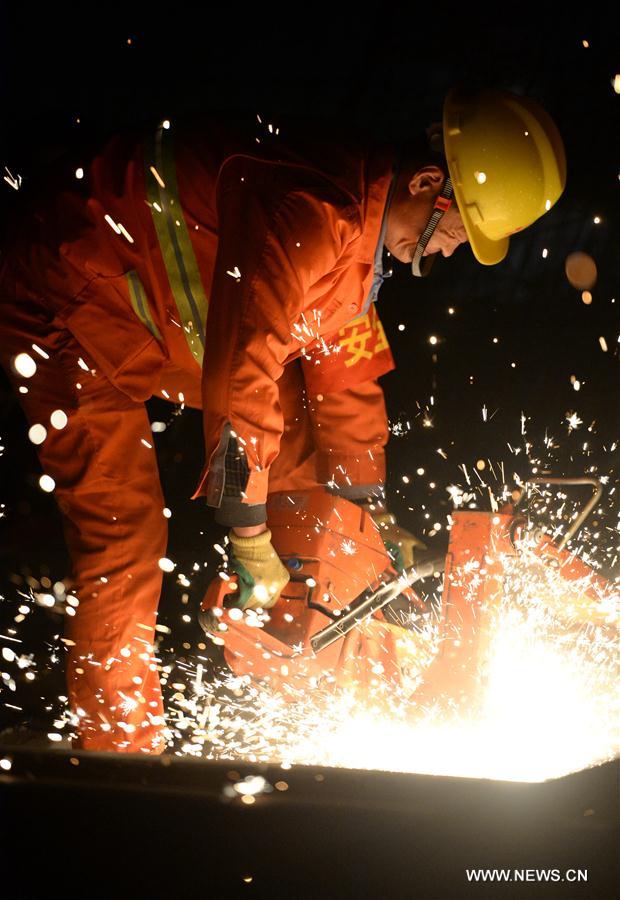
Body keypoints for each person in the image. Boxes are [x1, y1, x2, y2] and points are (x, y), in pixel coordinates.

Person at [0, 87, 565, 753]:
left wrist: (368, 511)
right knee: (124, 541)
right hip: (64, 292)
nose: (443, 254)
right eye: (453, 232)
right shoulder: (309, 210)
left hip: (153, 320)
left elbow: (345, 377)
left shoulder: (358, 235)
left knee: (318, 459)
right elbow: (246, 363)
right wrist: (247, 529)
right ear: (426, 182)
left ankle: (311, 638)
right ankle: (117, 758)